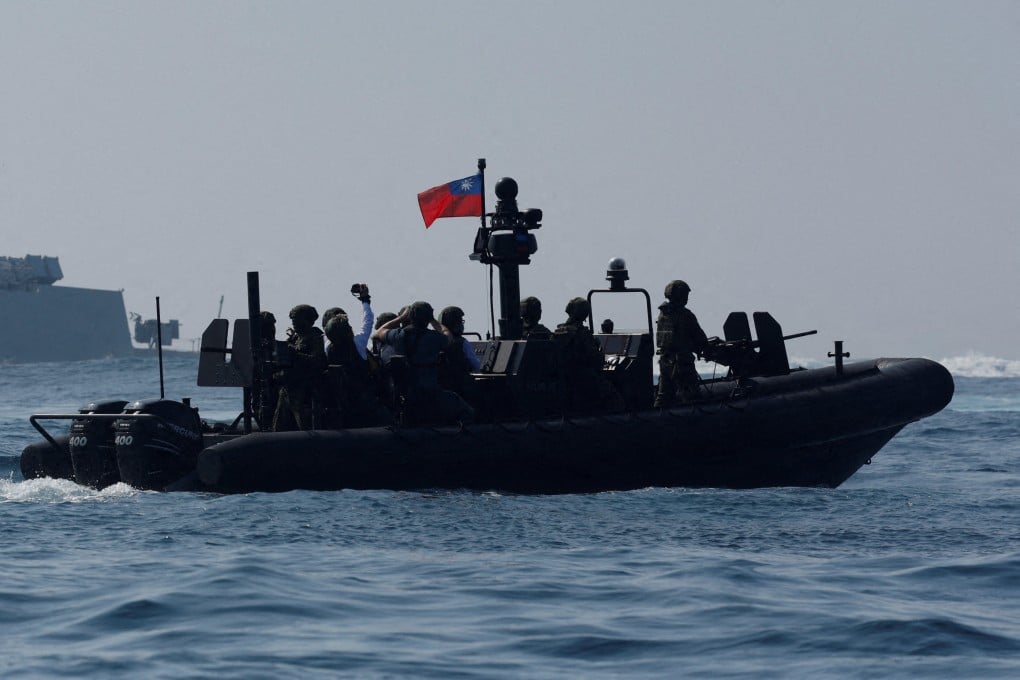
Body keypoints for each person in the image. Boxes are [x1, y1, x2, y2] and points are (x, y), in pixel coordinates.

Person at [371, 301, 474, 425]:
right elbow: (448, 336)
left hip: (405, 395)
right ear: (428, 318)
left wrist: (401, 317)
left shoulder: (398, 335)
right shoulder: (434, 338)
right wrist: (433, 321)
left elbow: (378, 332)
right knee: (467, 411)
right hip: (431, 394)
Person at [553, 297, 623, 412]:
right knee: (616, 400)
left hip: (565, 379)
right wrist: (608, 357)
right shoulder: (582, 334)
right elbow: (597, 360)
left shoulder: (559, 331)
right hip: (584, 378)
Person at [272, 304, 328, 431]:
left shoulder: (316, 338)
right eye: (293, 320)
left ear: (307, 320)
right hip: (287, 389)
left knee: (306, 428)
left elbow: (318, 362)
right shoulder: (294, 338)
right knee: (279, 428)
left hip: (304, 392)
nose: (294, 323)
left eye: (297, 320)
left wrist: (295, 354)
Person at [654, 280, 708, 407]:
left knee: (663, 397)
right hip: (682, 363)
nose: (687, 299)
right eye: (685, 295)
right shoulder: (685, 315)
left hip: (665, 362)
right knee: (693, 398)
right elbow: (699, 337)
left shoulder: (663, 314)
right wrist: (706, 349)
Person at [437, 305, 481, 401]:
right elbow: (477, 366)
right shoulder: (462, 343)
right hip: (461, 389)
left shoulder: (435, 341)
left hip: (441, 388)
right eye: (461, 321)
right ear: (455, 324)